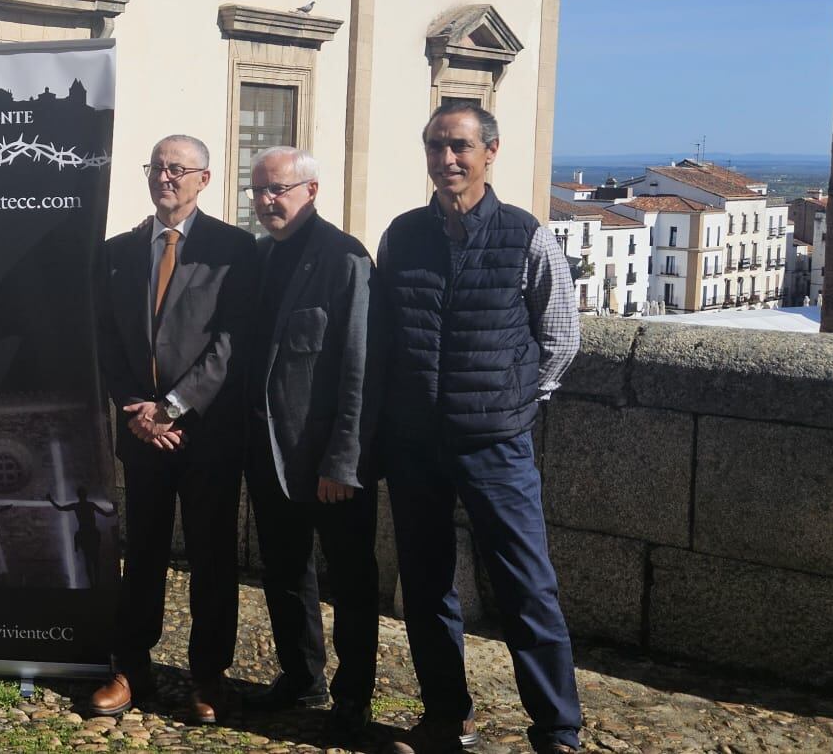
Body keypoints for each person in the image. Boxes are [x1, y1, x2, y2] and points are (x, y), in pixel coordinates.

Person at [376, 101, 582, 754]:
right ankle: (447, 718)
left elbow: (560, 338)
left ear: (490, 152)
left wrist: (516, 401)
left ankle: (557, 731)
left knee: (528, 589)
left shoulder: (527, 235)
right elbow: (384, 337)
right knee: (428, 589)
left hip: (496, 447)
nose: (447, 160)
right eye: (436, 146)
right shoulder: (401, 235)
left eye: (460, 146)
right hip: (415, 446)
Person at [89, 135, 258, 725]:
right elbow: (105, 338)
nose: (166, 177)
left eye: (178, 169)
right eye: (158, 168)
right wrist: (136, 406)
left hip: (205, 435)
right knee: (142, 554)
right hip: (142, 433)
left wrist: (177, 407)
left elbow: (233, 342)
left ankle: (209, 676)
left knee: (213, 558)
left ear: (204, 179)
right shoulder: (117, 252)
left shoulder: (235, 249)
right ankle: (131, 667)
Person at [238, 146, 380, 735]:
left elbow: (359, 368)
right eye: (260, 190)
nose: (267, 201)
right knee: (285, 572)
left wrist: (343, 461)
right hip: (268, 452)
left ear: (311, 191)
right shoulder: (259, 258)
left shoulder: (346, 260)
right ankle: (302, 677)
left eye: (278, 190)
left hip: (328, 458)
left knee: (349, 580)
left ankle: (353, 695)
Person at [45, 486, 117, 587]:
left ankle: (93, 584)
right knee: (95, 560)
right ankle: (95, 583)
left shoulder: (77, 506)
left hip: (84, 533)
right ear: (85, 495)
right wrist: (116, 510)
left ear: (78, 495)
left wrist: (50, 500)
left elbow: (60, 508)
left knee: (88, 559)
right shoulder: (90, 505)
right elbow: (106, 514)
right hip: (91, 533)